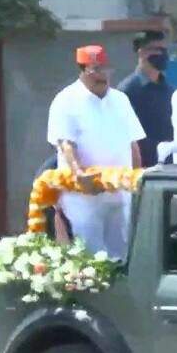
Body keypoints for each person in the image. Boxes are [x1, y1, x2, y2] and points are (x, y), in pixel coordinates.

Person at [47, 44, 146, 260]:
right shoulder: (66, 100)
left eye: (105, 70)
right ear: (82, 71)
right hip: (84, 193)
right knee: (91, 256)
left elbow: (133, 144)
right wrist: (79, 173)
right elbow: (65, 144)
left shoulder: (120, 100)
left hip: (120, 191)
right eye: (95, 70)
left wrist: (139, 178)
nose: (102, 76)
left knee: (122, 253)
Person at [117, 30, 175, 168]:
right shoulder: (127, 91)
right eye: (157, 49)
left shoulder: (169, 91)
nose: (162, 55)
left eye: (165, 50)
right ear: (141, 52)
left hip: (169, 167)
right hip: (142, 169)